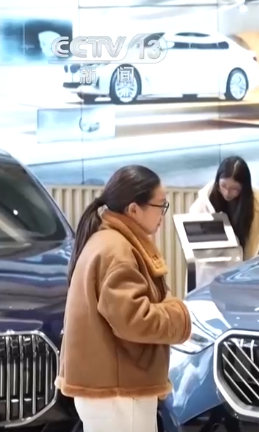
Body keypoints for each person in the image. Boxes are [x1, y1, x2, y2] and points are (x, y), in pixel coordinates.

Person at [57, 165, 192, 432]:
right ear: (133, 209)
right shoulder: (117, 250)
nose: (163, 214)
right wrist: (180, 314)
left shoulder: (109, 241)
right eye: (160, 205)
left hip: (113, 390)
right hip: (118, 394)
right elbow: (134, 320)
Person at [189, 156, 259, 288]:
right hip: (210, 275)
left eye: (234, 189)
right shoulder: (204, 203)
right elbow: (196, 246)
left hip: (245, 276)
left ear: (244, 188)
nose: (227, 193)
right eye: (223, 186)